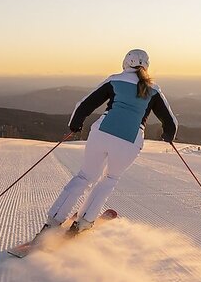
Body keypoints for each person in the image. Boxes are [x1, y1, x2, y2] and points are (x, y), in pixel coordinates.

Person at [37, 48, 177, 238]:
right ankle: (84, 222)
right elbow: (171, 123)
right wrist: (168, 135)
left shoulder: (115, 80)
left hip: (101, 133)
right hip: (130, 141)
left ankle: (53, 221)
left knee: (84, 176)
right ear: (146, 66)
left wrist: (75, 125)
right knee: (109, 180)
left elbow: (84, 104)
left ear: (126, 63)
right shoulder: (153, 90)